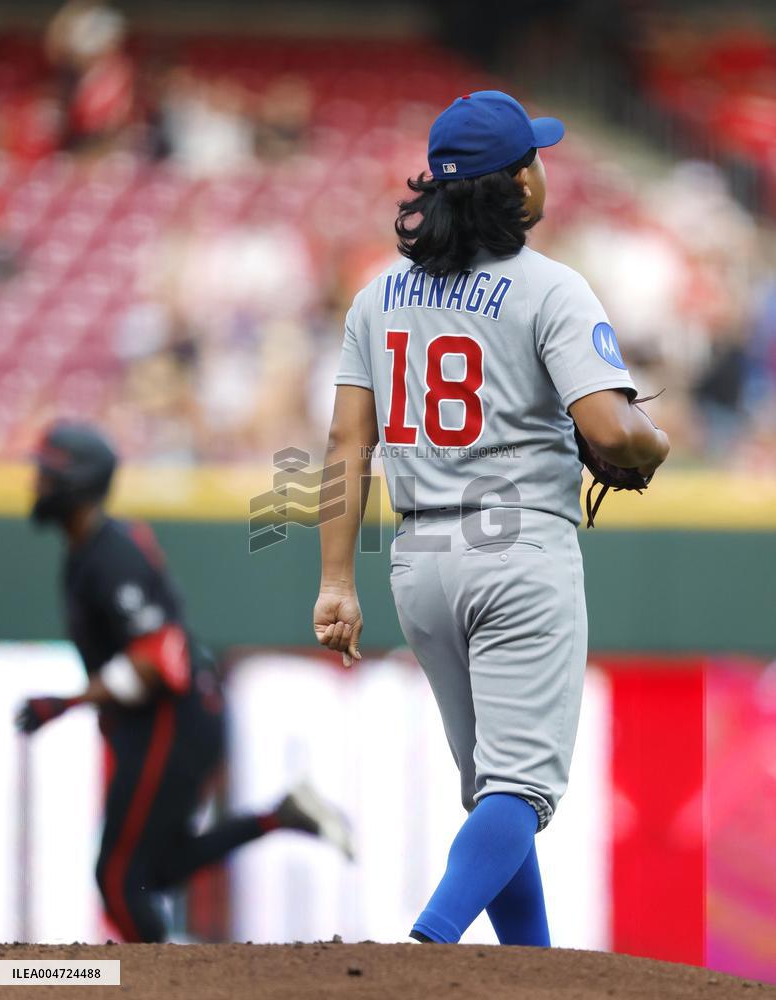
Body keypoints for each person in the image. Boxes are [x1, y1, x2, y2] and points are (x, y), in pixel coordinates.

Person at [313, 91, 669, 945]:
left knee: (496, 792)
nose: (542, 171)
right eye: (532, 160)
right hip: (517, 548)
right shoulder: (550, 286)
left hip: (419, 560)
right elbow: (612, 429)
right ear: (515, 184)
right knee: (520, 791)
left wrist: (334, 580)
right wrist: (653, 442)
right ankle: (427, 942)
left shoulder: (377, 297)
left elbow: (341, 446)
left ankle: (527, 969)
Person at [17, 420, 352, 943]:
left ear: (75, 481)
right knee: (154, 868)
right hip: (174, 718)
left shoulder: (109, 555)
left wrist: (65, 703)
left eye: (46, 472)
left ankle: (155, 988)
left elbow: (155, 663)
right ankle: (278, 818)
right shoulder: (93, 548)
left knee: (118, 878)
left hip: (173, 719)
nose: (34, 482)